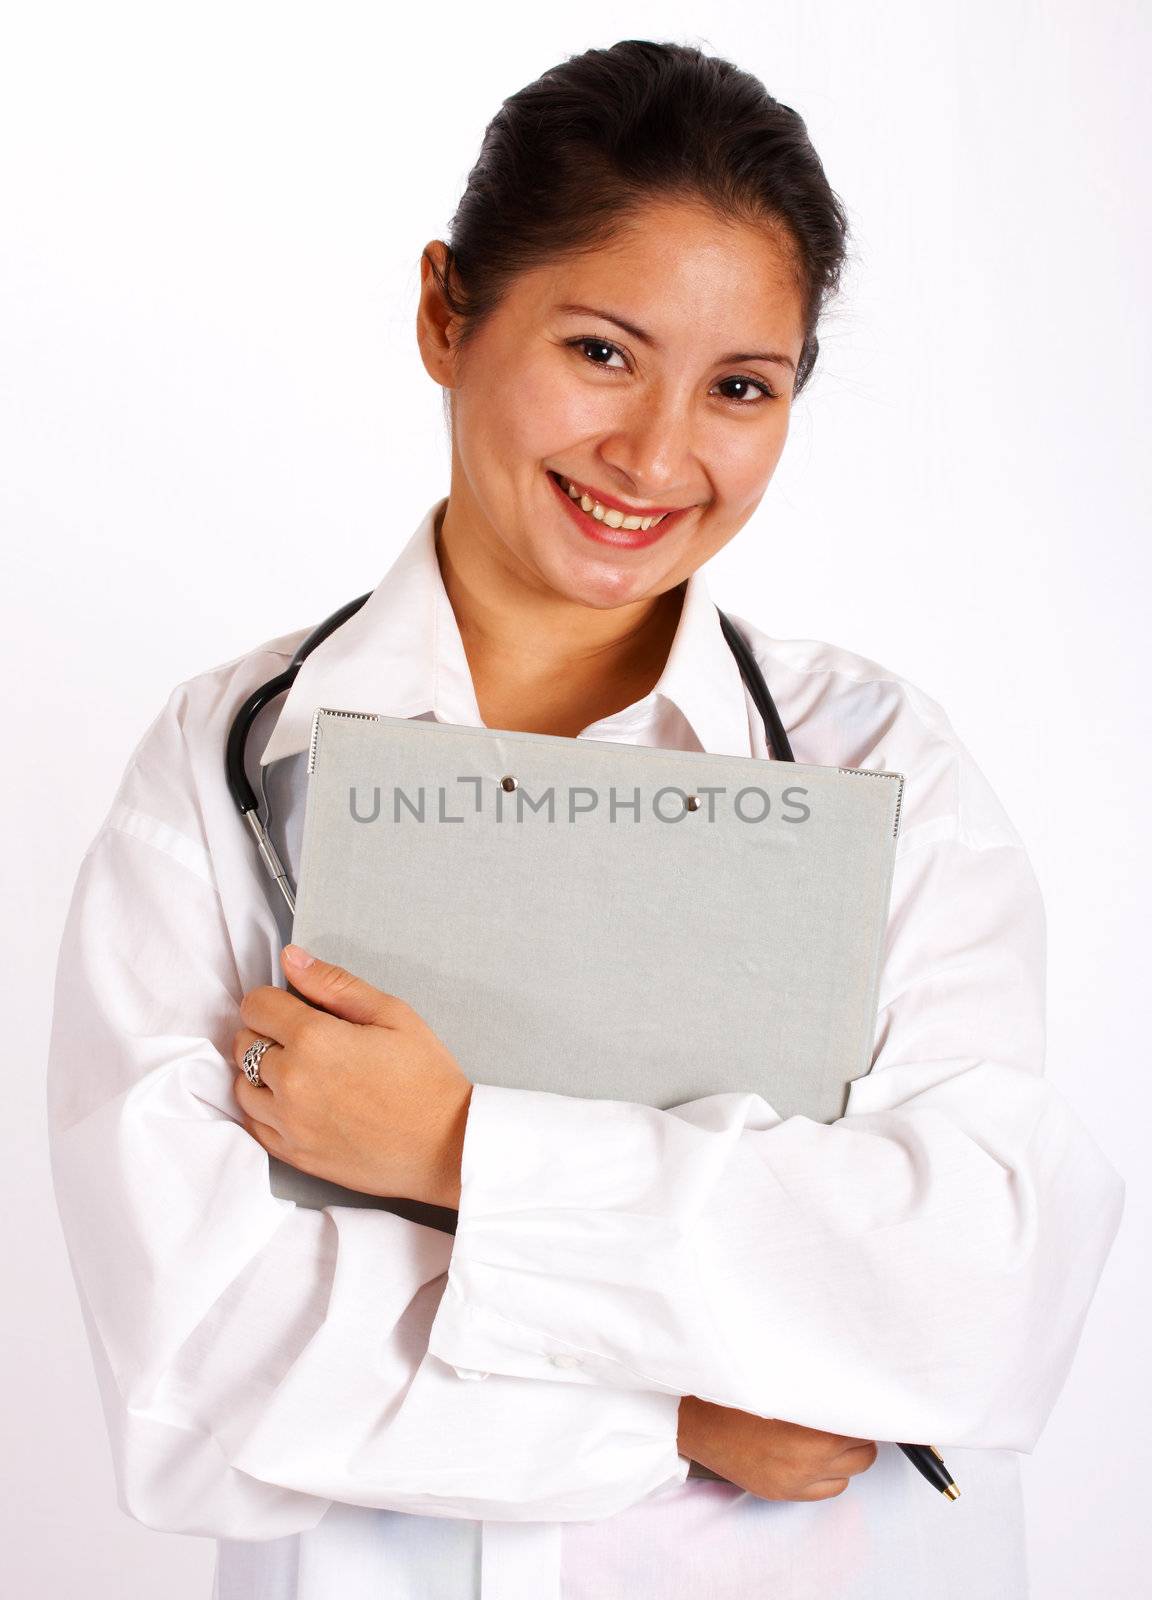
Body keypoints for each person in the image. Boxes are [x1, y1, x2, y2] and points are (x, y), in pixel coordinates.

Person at [46, 37, 1125, 1600]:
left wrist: (463, 1150)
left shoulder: (875, 763)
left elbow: (976, 1289)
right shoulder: (228, 765)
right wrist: (681, 1405)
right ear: (445, 313)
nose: (657, 455)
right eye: (604, 352)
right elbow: (201, 1368)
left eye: (740, 387)